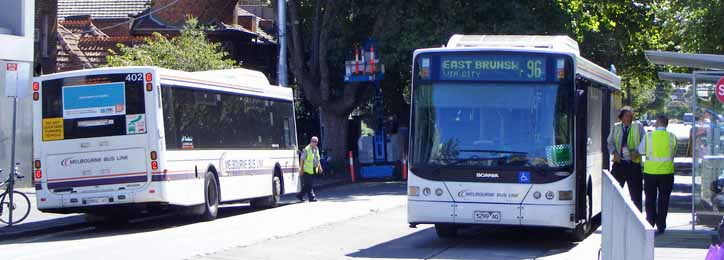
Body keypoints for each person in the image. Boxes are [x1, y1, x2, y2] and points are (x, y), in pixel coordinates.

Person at [638, 115, 677, 234]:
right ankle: (661, 224)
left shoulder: (649, 136)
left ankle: (650, 221)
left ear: (658, 122)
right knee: (664, 199)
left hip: (650, 172)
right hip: (667, 173)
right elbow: (674, 152)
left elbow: (640, 151)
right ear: (666, 124)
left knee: (650, 199)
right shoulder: (672, 137)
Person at [606, 106, 646, 211]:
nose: (629, 118)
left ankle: (638, 219)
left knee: (636, 195)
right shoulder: (616, 127)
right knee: (614, 192)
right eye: (626, 116)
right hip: (619, 164)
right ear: (621, 117)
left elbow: (644, 142)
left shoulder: (638, 127)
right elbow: (610, 143)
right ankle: (614, 214)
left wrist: (637, 152)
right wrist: (615, 153)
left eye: (630, 116)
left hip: (634, 165)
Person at [297, 136, 323, 202]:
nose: (315, 143)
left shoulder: (316, 149)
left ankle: (300, 195)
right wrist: (301, 169)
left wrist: (320, 167)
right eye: (313, 141)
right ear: (311, 142)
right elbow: (302, 160)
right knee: (310, 184)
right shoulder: (306, 149)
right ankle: (312, 197)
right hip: (306, 170)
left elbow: (318, 159)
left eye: (316, 142)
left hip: (313, 169)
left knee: (307, 184)